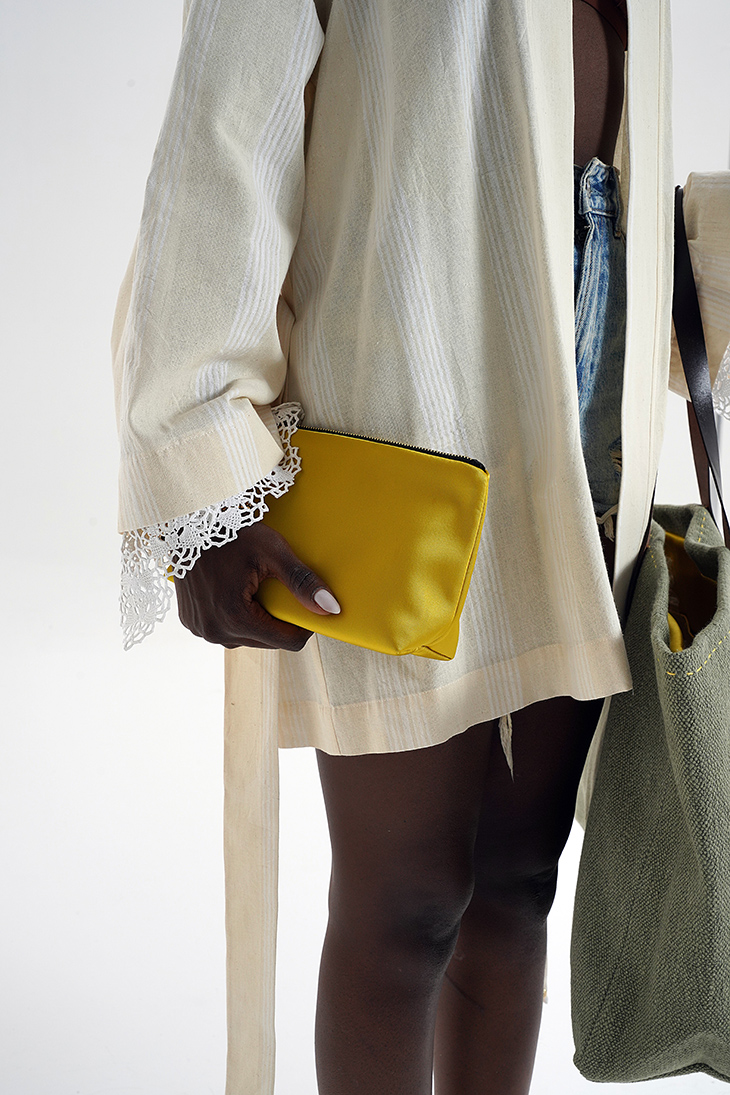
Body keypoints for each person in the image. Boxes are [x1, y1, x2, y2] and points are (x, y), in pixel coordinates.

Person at [112, 1, 674, 1091]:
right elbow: (225, 130)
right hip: (409, 386)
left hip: (592, 386)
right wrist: (202, 466)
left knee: (519, 883)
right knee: (406, 901)